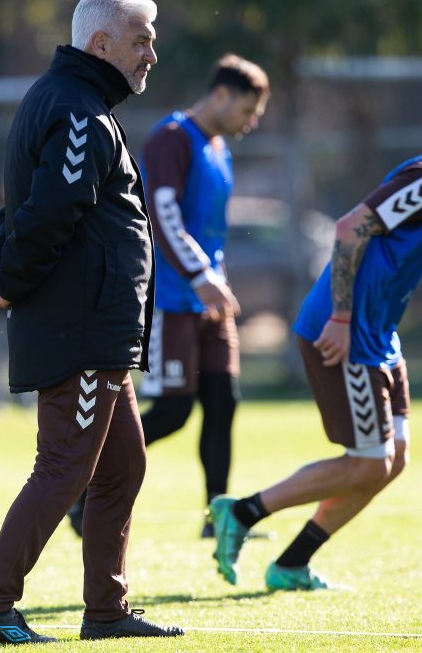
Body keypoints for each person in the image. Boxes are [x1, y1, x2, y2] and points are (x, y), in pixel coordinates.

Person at [208, 94, 422, 591]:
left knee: (391, 459)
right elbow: (351, 228)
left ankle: (290, 563)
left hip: (378, 339)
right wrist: (342, 316)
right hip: (343, 332)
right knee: (368, 462)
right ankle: (242, 512)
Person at [0, 0, 183, 645]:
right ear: (101, 44)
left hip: (97, 331)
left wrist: (3, 256)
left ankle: (106, 612)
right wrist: (12, 276)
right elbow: (53, 207)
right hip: (80, 329)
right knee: (64, 468)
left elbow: (23, 201)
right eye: (141, 40)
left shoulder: (73, 102)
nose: (152, 53)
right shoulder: (78, 110)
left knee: (121, 467)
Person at [66, 55, 270, 539]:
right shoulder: (172, 139)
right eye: (249, 108)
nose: (253, 121)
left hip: (209, 297)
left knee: (224, 401)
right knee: (174, 412)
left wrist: (212, 277)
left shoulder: (220, 149)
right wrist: (200, 273)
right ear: (221, 95)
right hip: (173, 299)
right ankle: (81, 493)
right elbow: (163, 216)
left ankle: (217, 518)